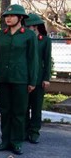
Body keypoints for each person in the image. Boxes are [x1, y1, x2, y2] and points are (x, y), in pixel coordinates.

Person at [0, 4, 37, 155]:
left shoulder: (29, 35)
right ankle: (5, 141)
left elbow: (33, 59)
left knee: (19, 112)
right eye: (7, 16)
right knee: (5, 111)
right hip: (3, 79)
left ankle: (17, 141)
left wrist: (32, 81)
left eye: (12, 16)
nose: (8, 18)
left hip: (20, 79)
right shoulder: (1, 34)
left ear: (20, 18)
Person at [25, 13, 51, 144]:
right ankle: (24, 130)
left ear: (35, 26)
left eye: (28, 26)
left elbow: (47, 61)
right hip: (25, 77)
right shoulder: (25, 39)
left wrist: (46, 78)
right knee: (24, 105)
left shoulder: (45, 40)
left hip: (39, 78)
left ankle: (34, 131)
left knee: (36, 106)